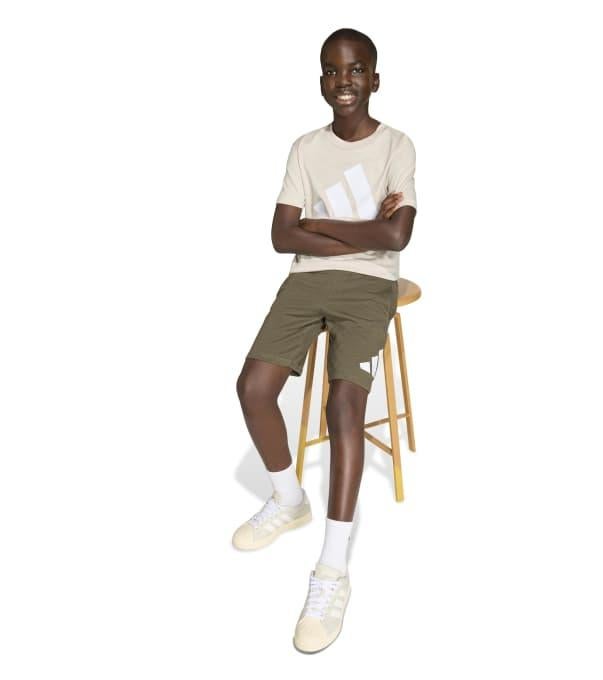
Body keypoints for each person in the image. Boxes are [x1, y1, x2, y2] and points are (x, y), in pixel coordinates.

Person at [233, 27, 417, 653]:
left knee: (344, 405)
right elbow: (282, 237)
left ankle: (332, 569)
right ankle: (289, 500)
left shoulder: (397, 145)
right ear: (321, 81)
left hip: (369, 286)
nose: (345, 81)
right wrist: (361, 228)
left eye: (356, 69)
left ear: (374, 79)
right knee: (252, 387)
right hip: (306, 280)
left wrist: (319, 224)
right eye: (334, 71)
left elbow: (396, 239)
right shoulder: (306, 148)